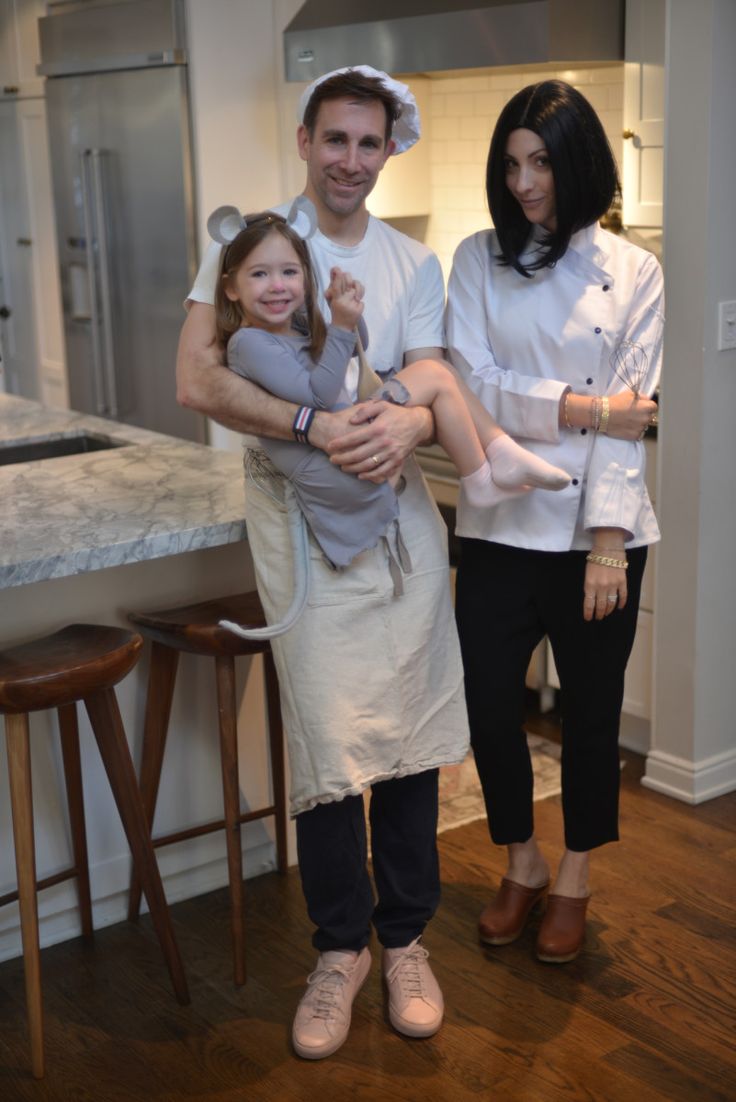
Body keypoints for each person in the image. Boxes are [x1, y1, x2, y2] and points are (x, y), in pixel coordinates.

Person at [177, 65, 469, 1059]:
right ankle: (339, 946)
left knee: (413, 729)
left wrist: (415, 420)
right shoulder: (250, 245)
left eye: (369, 142)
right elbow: (195, 375)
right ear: (304, 137)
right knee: (330, 739)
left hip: (396, 514)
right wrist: (313, 422)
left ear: (390, 150)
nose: (351, 159)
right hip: (299, 520)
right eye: (335, 138)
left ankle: (407, 941)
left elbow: (429, 381)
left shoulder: (410, 262)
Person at [445, 80, 663, 964]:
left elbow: (636, 415)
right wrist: (582, 406)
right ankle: (521, 861)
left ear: (579, 165)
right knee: (490, 706)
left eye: (540, 162)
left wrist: (608, 541)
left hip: (592, 537)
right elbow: (472, 383)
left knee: (589, 715)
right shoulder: (474, 258)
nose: (524, 181)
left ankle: (573, 874)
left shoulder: (636, 269)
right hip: (499, 525)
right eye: (511, 163)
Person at [211, 205, 571, 575]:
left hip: (348, 446)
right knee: (433, 372)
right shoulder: (248, 343)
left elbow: (355, 347)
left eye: (289, 272)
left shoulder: (296, 326)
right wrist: (340, 325)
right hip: (339, 460)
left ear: (305, 278)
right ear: (230, 288)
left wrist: (346, 311)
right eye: (259, 274)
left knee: (437, 373)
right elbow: (317, 396)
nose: (277, 285)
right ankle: (487, 467)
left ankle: (489, 466)